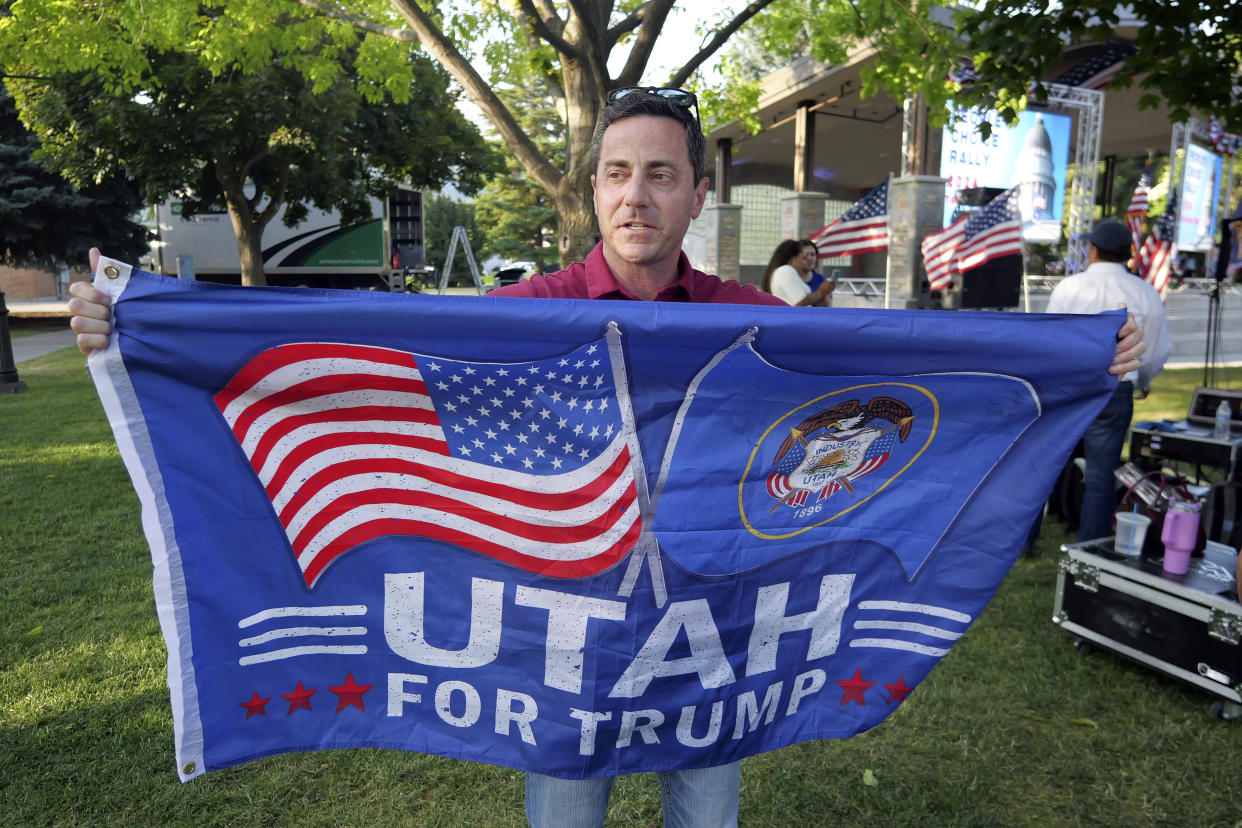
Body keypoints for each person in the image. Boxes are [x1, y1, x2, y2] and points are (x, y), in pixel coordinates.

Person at [67, 88, 1148, 827]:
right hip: (555, 640)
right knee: (564, 808)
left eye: (662, 176)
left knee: (706, 807)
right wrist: (139, 327)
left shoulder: (752, 319)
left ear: (693, 194)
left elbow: (923, 363)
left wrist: (1089, 351)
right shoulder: (519, 318)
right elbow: (360, 350)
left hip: (720, 630)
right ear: (594, 193)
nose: (638, 196)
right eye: (618, 175)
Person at [1045, 218, 1172, 543]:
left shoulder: (1068, 287)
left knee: (1045, 462)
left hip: (1068, 386)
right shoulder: (1144, 292)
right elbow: (1156, 350)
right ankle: (1089, 547)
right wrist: (1144, 379)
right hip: (1115, 387)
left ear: (1093, 250)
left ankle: (1024, 542)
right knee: (1101, 476)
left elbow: (1049, 341)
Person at [760, 239, 833, 307]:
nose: (808, 258)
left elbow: (809, 309)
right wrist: (820, 292)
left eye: (812, 255)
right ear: (793, 258)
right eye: (804, 256)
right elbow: (800, 303)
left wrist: (824, 298)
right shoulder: (786, 271)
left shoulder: (787, 272)